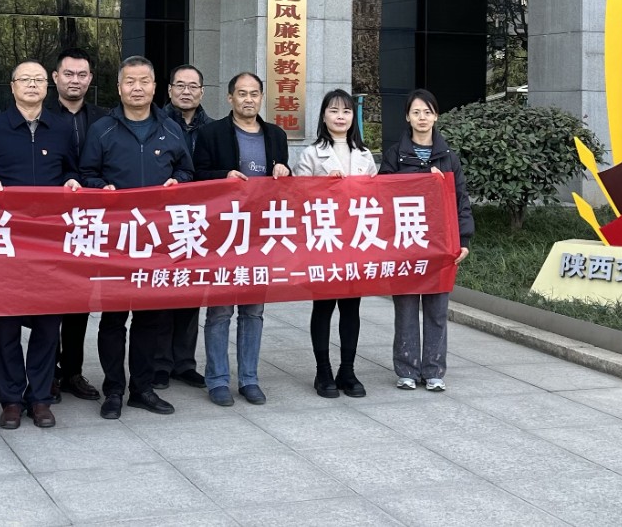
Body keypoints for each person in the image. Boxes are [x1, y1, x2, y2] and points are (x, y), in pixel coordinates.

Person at [0, 60, 81, 429]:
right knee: (7, 327)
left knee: (48, 326)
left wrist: (72, 181)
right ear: (12, 86)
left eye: (38, 79)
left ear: (47, 86)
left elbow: (72, 169)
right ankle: (12, 399)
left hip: (50, 243)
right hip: (8, 242)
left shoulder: (61, 128)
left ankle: (40, 398)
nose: (32, 85)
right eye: (25, 79)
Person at [78, 55, 194, 419]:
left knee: (150, 320)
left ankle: (142, 389)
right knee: (113, 320)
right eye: (130, 81)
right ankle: (113, 389)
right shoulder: (102, 129)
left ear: (155, 87)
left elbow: (187, 171)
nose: (137, 88)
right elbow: (86, 173)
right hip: (116, 239)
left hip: (157, 241)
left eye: (144, 81)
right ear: (119, 87)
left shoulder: (171, 129)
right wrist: (101, 187)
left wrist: (179, 181)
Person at [191, 72, 289, 406]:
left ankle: (249, 379)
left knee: (253, 311)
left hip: (260, 235)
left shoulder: (275, 135)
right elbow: (197, 176)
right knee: (220, 311)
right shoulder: (211, 133)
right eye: (242, 93)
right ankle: (217, 380)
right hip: (224, 234)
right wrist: (224, 176)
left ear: (262, 97)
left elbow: (285, 184)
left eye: (254, 93)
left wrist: (285, 171)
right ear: (230, 97)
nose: (249, 99)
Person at [381, 89, 474, 392]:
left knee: (436, 309)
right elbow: (382, 195)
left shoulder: (448, 157)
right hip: (405, 243)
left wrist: (463, 239)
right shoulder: (395, 155)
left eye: (428, 112)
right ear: (407, 117)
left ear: (436, 116)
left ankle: (434, 370)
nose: (422, 118)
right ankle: (407, 369)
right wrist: (419, 180)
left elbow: (461, 201)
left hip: (440, 245)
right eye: (416, 112)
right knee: (406, 308)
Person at [294, 89, 379, 399]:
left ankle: (347, 370)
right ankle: (323, 371)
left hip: (356, 240)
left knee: (351, 307)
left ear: (353, 117)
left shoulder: (365, 155)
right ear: (323, 116)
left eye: (346, 111)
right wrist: (322, 186)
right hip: (325, 241)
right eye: (333, 110)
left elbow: (377, 199)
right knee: (324, 305)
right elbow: (298, 198)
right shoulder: (311, 154)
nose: (340, 116)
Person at [47, 47, 102, 403]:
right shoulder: (41, 115)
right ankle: (49, 372)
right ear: (55, 78)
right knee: (51, 302)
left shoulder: (103, 119)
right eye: (68, 74)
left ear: (90, 79)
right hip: (49, 223)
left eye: (82, 75)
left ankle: (73, 371)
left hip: (90, 222)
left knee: (80, 300)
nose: (75, 81)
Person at [154, 64, 212, 391]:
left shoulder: (214, 129)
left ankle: (184, 363)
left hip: (200, 222)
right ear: (169, 90)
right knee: (162, 294)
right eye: (180, 85)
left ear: (202, 91)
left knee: (191, 294)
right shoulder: (156, 123)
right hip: (161, 222)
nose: (186, 91)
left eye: (192, 86)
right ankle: (160, 363)